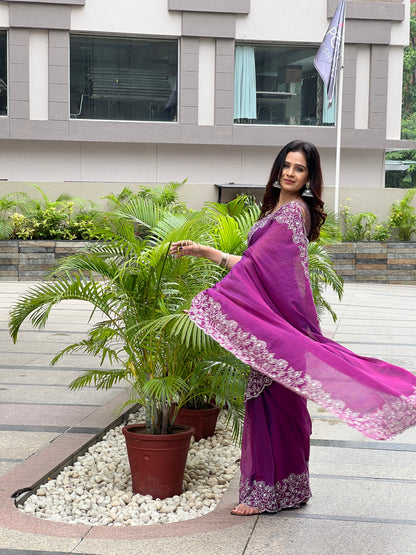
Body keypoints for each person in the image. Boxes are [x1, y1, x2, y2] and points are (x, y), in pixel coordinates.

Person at [170, 140, 416, 516]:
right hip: (270, 322)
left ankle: (266, 493)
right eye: (286, 165)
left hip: (278, 323)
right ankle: (283, 489)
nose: (289, 172)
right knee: (274, 402)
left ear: (308, 178)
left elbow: (259, 268)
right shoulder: (278, 209)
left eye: (299, 168)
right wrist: (205, 251)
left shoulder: (292, 213)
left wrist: (218, 293)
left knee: (275, 403)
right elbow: (255, 263)